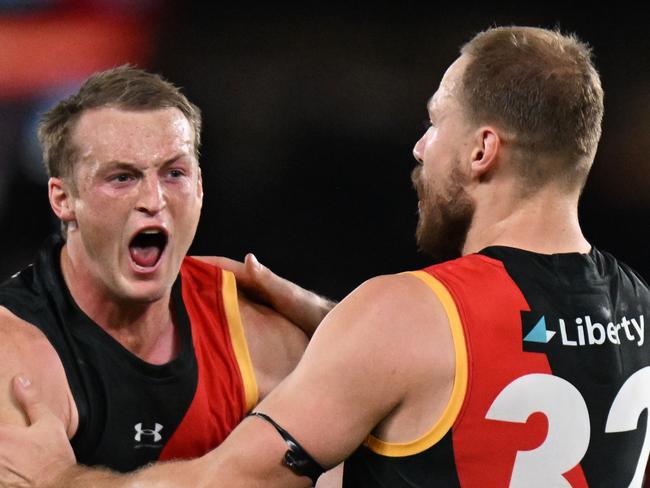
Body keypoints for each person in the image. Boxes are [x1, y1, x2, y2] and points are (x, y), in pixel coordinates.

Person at [2, 25, 650, 487]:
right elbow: (505, 366)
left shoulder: (405, 314)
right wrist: (339, 326)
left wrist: (65, 478)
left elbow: (227, 481)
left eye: (436, 123)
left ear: (482, 149)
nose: (422, 147)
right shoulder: (638, 310)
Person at [0, 66, 336, 483]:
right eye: (122, 177)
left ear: (200, 187)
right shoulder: (14, 351)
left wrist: (328, 318)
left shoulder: (253, 330)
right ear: (64, 198)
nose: (153, 200)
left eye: (174, 174)